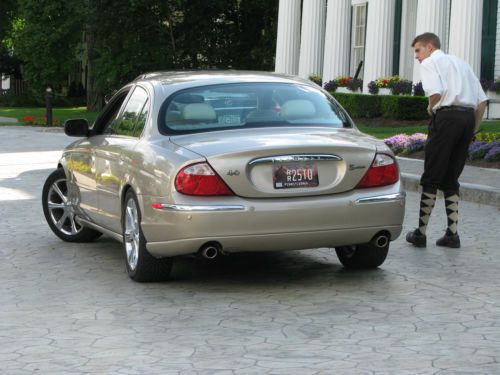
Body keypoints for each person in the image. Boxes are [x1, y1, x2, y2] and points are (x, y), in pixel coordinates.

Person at [406, 32, 488, 249]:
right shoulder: (462, 64)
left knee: (432, 174)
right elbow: (482, 103)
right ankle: (452, 234)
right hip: (467, 120)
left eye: (418, 50)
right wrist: (472, 131)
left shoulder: (431, 62)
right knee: (451, 177)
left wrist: (430, 107)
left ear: (430, 47)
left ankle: (420, 233)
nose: (417, 57)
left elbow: (436, 92)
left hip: (447, 117)